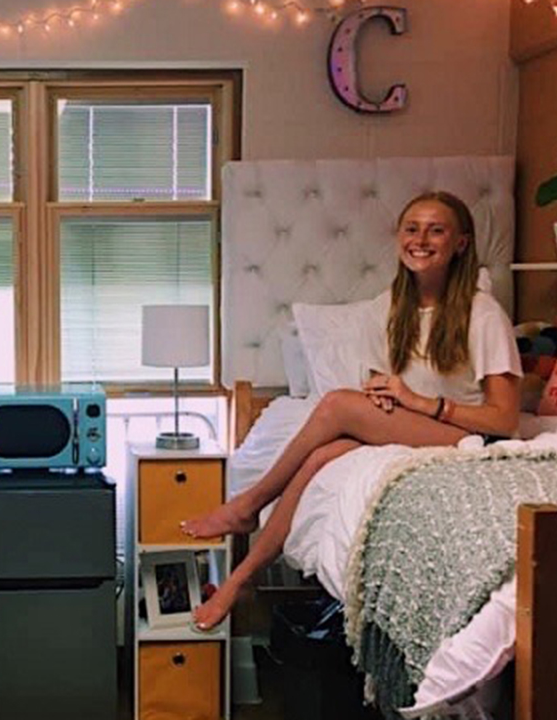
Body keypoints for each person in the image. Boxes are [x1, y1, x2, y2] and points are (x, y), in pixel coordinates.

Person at [181, 191, 522, 631]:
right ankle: (244, 578)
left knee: (337, 404)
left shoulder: (483, 313)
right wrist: (383, 399)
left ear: (460, 243)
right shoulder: (390, 307)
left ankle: (247, 506)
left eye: (436, 230)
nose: (421, 239)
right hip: (420, 426)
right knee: (321, 457)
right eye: (411, 228)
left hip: (475, 440)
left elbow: (505, 421)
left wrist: (423, 404)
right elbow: (385, 381)